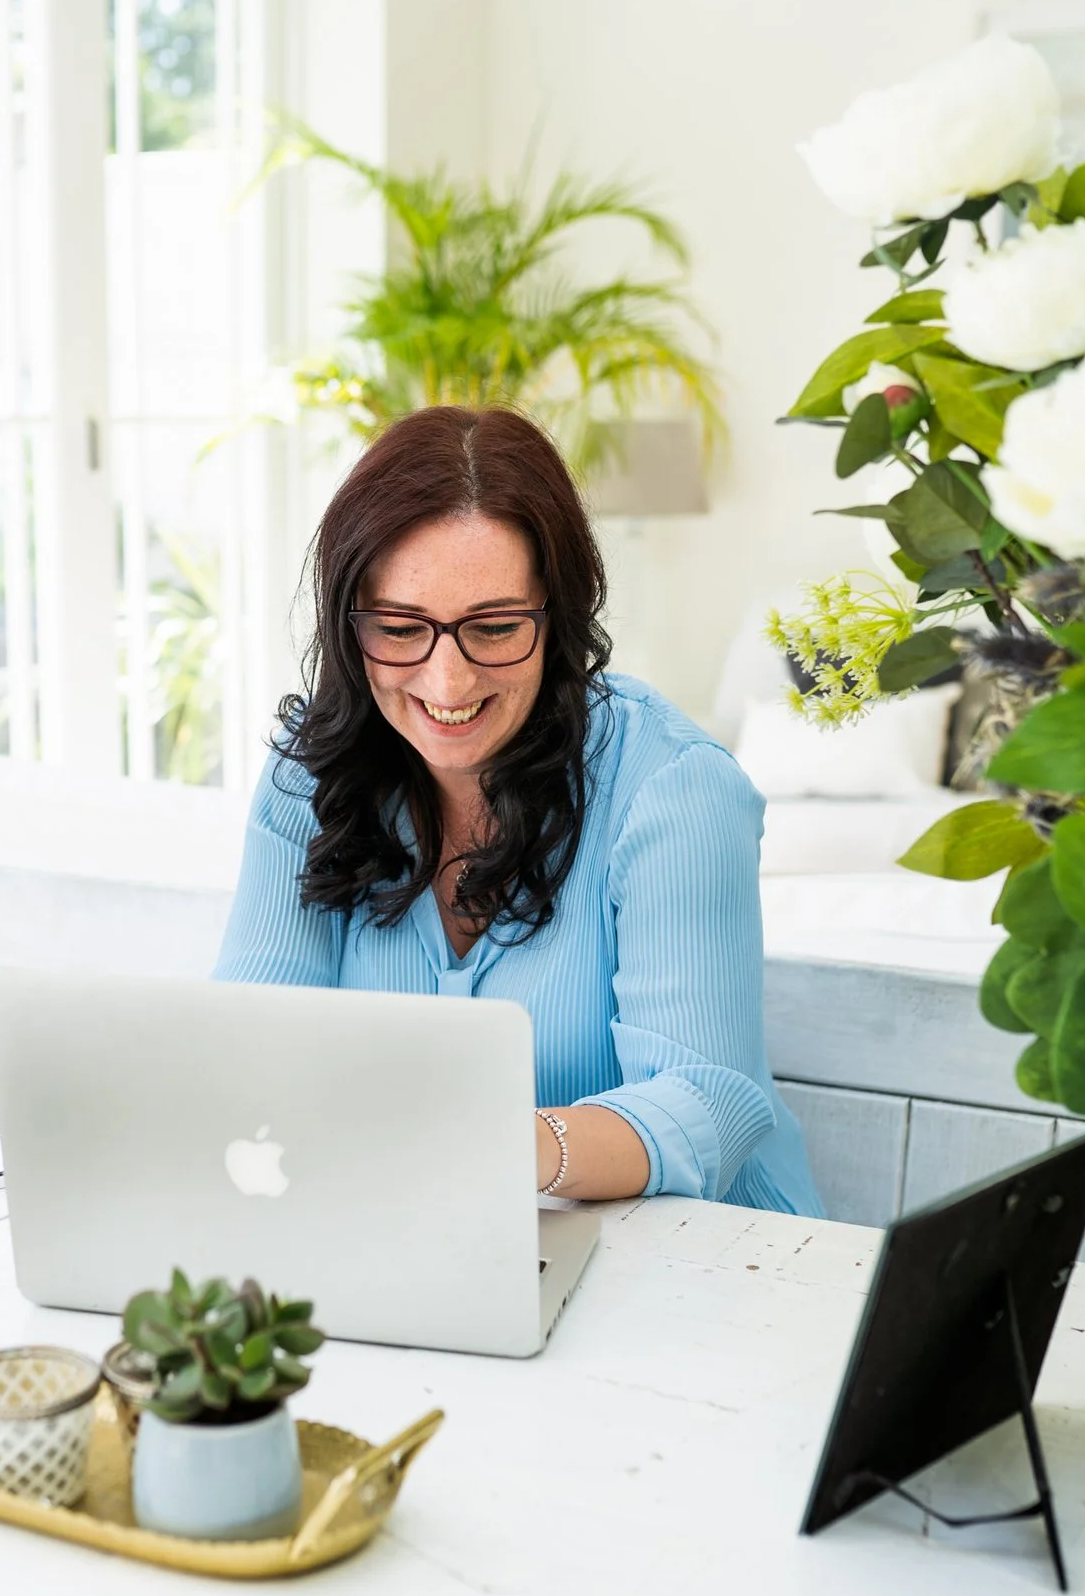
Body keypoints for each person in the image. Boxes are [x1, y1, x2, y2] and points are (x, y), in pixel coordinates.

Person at [214, 405, 822, 1213]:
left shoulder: (675, 786)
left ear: (558, 616)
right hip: (425, 1236)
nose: (448, 681)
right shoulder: (311, 773)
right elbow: (250, 1040)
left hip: (706, 1262)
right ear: (349, 622)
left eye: (494, 627)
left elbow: (708, 1099)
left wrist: (500, 1144)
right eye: (401, 628)